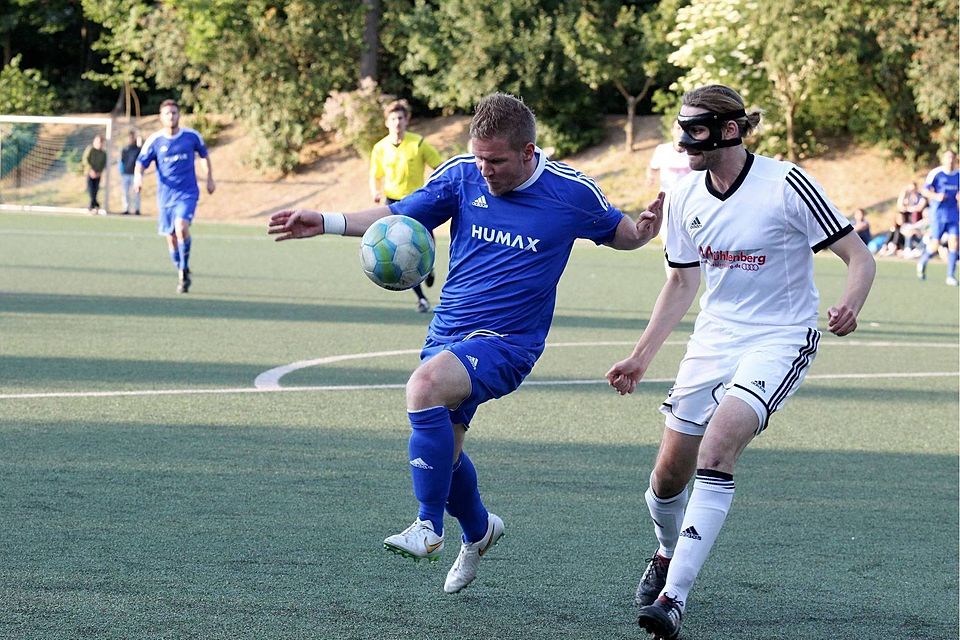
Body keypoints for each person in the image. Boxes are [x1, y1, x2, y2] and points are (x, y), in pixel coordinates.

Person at [269, 93, 664, 595]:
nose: (486, 170)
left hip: (509, 342)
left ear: (527, 151)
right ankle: (478, 532)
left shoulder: (571, 192)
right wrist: (324, 222)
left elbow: (621, 233)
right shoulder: (461, 175)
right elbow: (399, 220)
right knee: (447, 455)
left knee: (424, 387)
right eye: (479, 158)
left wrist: (643, 232)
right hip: (449, 330)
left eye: (496, 161)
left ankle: (427, 527)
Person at [605, 84, 875, 640]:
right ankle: (665, 551)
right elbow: (682, 281)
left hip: (780, 336)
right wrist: (640, 356)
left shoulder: (786, 184)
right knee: (665, 478)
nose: (684, 142)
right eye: (681, 129)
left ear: (730, 130)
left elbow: (859, 256)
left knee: (720, 441)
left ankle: (672, 599)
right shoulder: (683, 196)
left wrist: (851, 301)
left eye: (695, 130)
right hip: (713, 340)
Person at [134, 99, 216, 293]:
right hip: (165, 197)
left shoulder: (191, 136)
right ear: (161, 117)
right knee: (170, 238)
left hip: (187, 193)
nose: (171, 116)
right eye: (167, 113)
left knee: (181, 227)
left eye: (174, 113)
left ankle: (182, 270)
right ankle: (182, 268)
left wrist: (210, 178)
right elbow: (141, 163)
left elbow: (204, 156)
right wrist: (138, 179)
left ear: (179, 115)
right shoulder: (155, 141)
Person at [370, 99, 443, 312]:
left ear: (406, 120)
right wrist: (375, 191)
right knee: (402, 254)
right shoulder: (380, 147)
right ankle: (421, 299)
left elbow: (440, 167)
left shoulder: (418, 143)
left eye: (400, 118)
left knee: (425, 245)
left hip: (418, 203)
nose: (397, 122)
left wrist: (434, 190)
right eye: (392, 119)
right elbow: (375, 175)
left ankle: (428, 269)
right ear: (387, 122)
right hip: (393, 204)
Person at [917, 149, 959, 285]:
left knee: (955, 243)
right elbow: (924, 190)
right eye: (948, 157)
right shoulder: (936, 173)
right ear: (943, 159)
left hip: (953, 214)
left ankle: (950, 276)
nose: (950, 160)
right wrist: (936, 196)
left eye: (952, 157)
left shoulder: (958, 174)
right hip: (938, 214)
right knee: (935, 244)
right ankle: (923, 260)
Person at [81, 134, 107, 215]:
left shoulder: (103, 153)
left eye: (101, 142)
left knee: (95, 191)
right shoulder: (90, 150)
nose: (99, 144)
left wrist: (99, 172)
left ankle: (93, 206)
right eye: (98, 142)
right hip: (89, 174)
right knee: (91, 190)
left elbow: (103, 164)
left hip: (98, 175)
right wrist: (91, 170)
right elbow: (85, 160)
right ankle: (93, 206)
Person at [119, 131, 142, 215]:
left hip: (135, 174)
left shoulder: (138, 149)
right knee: (125, 192)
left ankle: (137, 209)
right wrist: (121, 171)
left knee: (136, 193)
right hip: (126, 173)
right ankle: (126, 209)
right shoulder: (125, 149)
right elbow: (121, 161)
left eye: (132, 137)